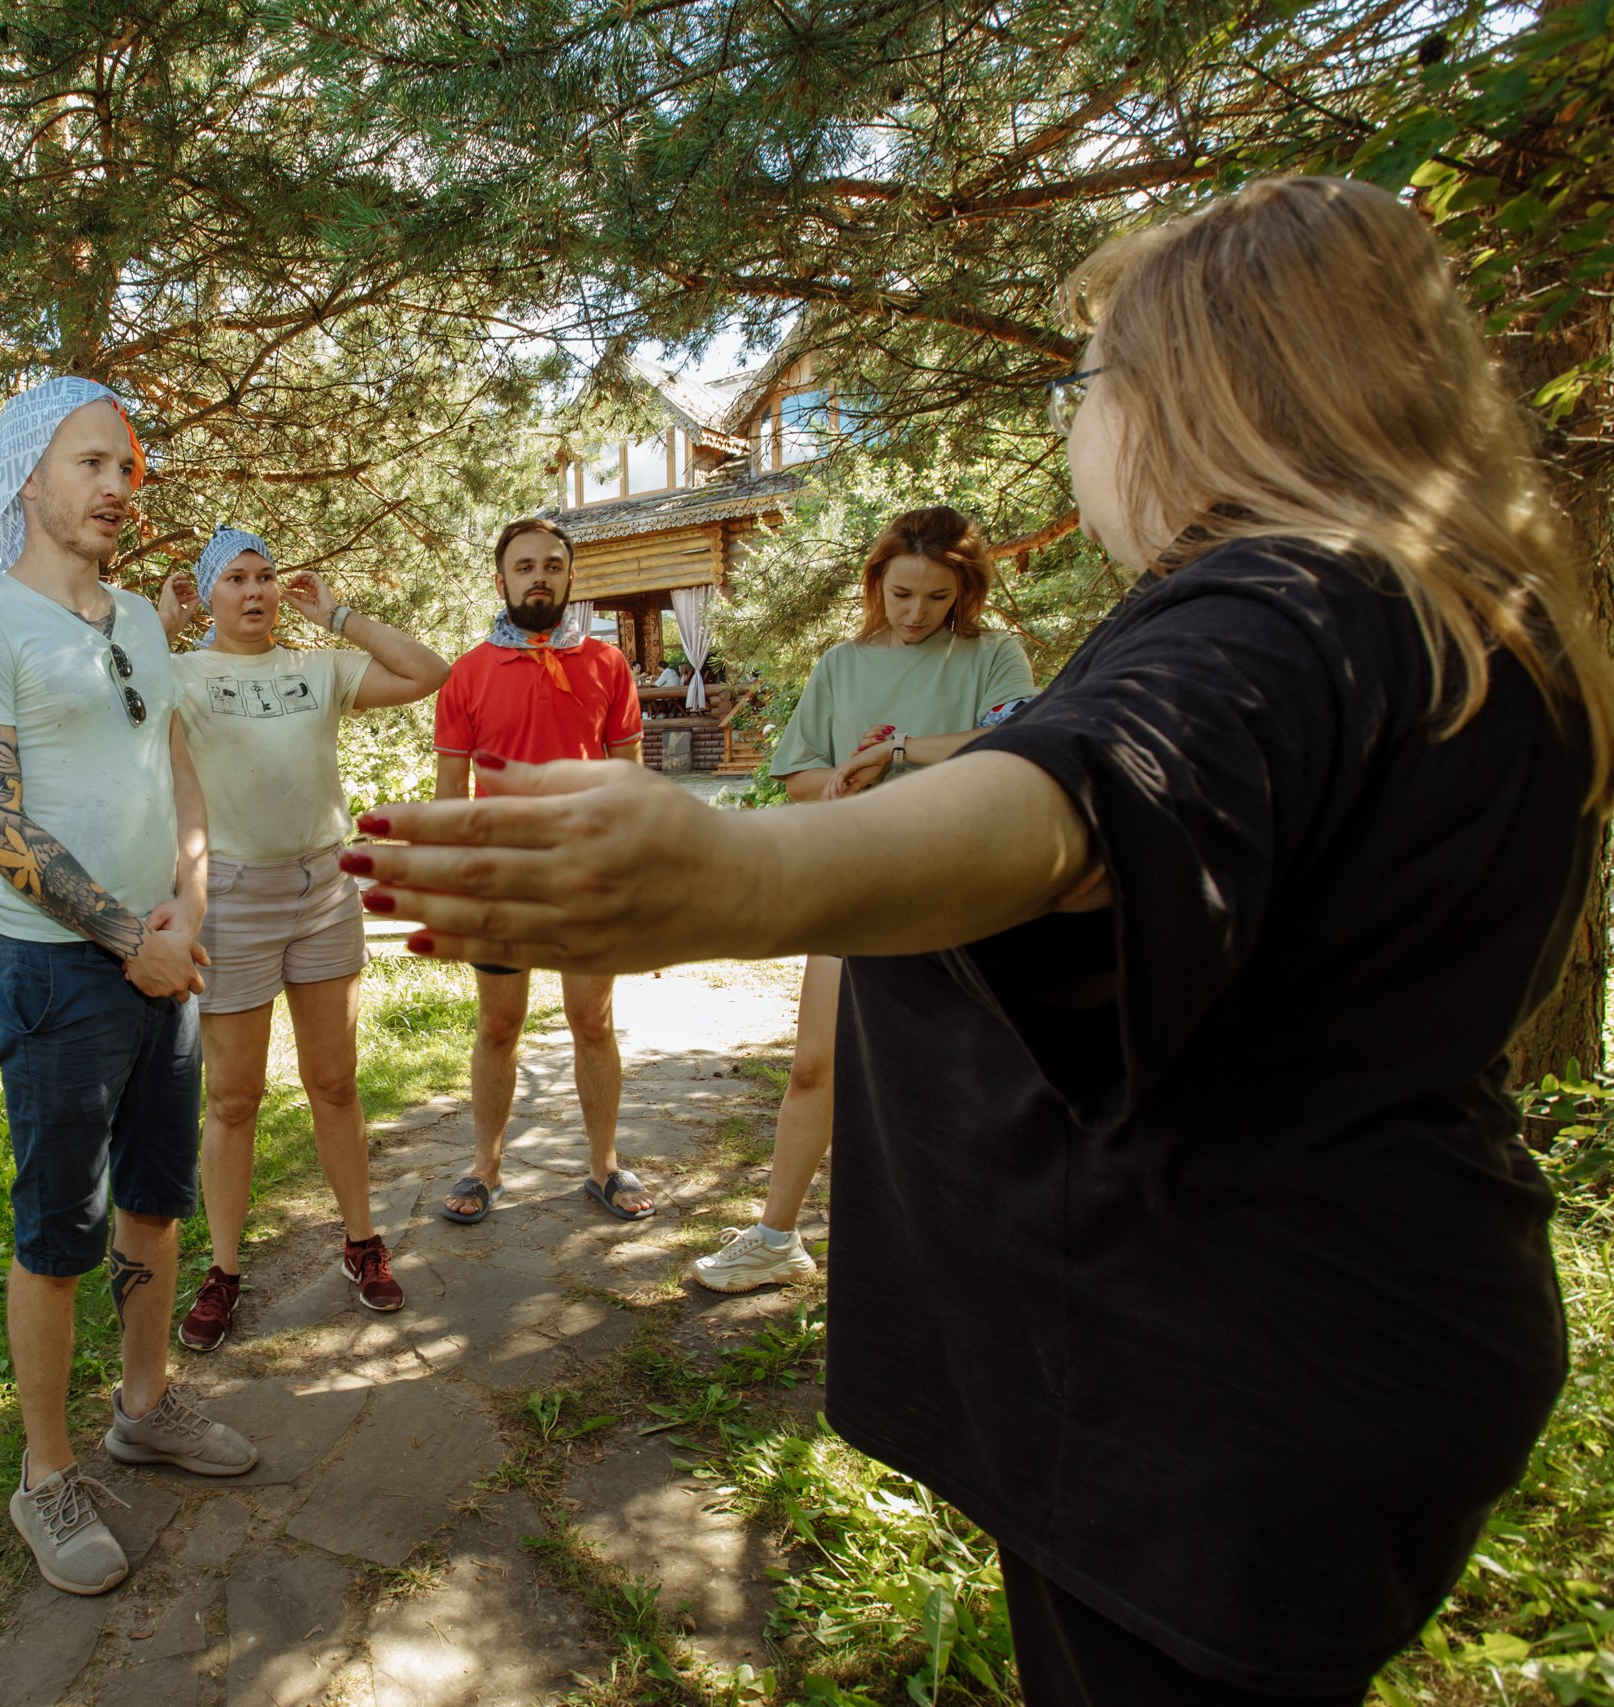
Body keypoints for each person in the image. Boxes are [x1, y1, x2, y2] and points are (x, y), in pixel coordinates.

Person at [349, 176, 1610, 1707]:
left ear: (1190, 394)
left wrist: (743, 873)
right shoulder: (1456, 611)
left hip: (1206, 1394)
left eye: (1088, 381)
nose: (1077, 422)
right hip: (1349, 1333)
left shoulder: (1274, 600)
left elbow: (1086, 801)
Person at [0, 379, 258, 1599]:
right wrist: (133, 935)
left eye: (128, 465)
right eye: (92, 464)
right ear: (28, 477)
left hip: (165, 960)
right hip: (60, 977)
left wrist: (194, 901)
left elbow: (175, 765)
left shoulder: (141, 618)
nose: (120, 485)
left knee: (157, 1208)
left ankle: (146, 1408)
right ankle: (47, 1473)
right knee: (58, 1231)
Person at [692, 507, 1036, 1294]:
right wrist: (845, 780)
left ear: (965, 593)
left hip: (964, 888)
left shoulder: (993, 654)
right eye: (902, 592)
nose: (916, 613)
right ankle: (777, 1236)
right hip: (862, 886)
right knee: (816, 1065)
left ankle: (970, 1259)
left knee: (959, 1077)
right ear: (876, 580)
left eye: (937, 598)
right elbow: (799, 778)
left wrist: (903, 748)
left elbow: (1019, 738)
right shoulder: (841, 665)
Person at [151, 525, 451, 1348]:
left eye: (267, 577)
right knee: (234, 1099)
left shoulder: (315, 668)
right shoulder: (178, 672)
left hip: (322, 889)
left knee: (336, 1084)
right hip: (233, 899)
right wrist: (160, 625)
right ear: (207, 594)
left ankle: (361, 1242)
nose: (255, 592)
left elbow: (429, 672)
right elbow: (111, 689)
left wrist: (341, 617)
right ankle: (222, 1271)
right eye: (235, 580)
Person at [374, 517, 648, 1226]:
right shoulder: (467, 673)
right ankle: (485, 1166)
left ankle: (603, 1165)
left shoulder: (607, 666)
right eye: (524, 566)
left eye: (552, 565)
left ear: (569, 578)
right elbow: (449, 792)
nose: (539, 577)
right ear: (501, 580)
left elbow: (631, 784)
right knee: (499, 1025)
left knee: (593, 1021)